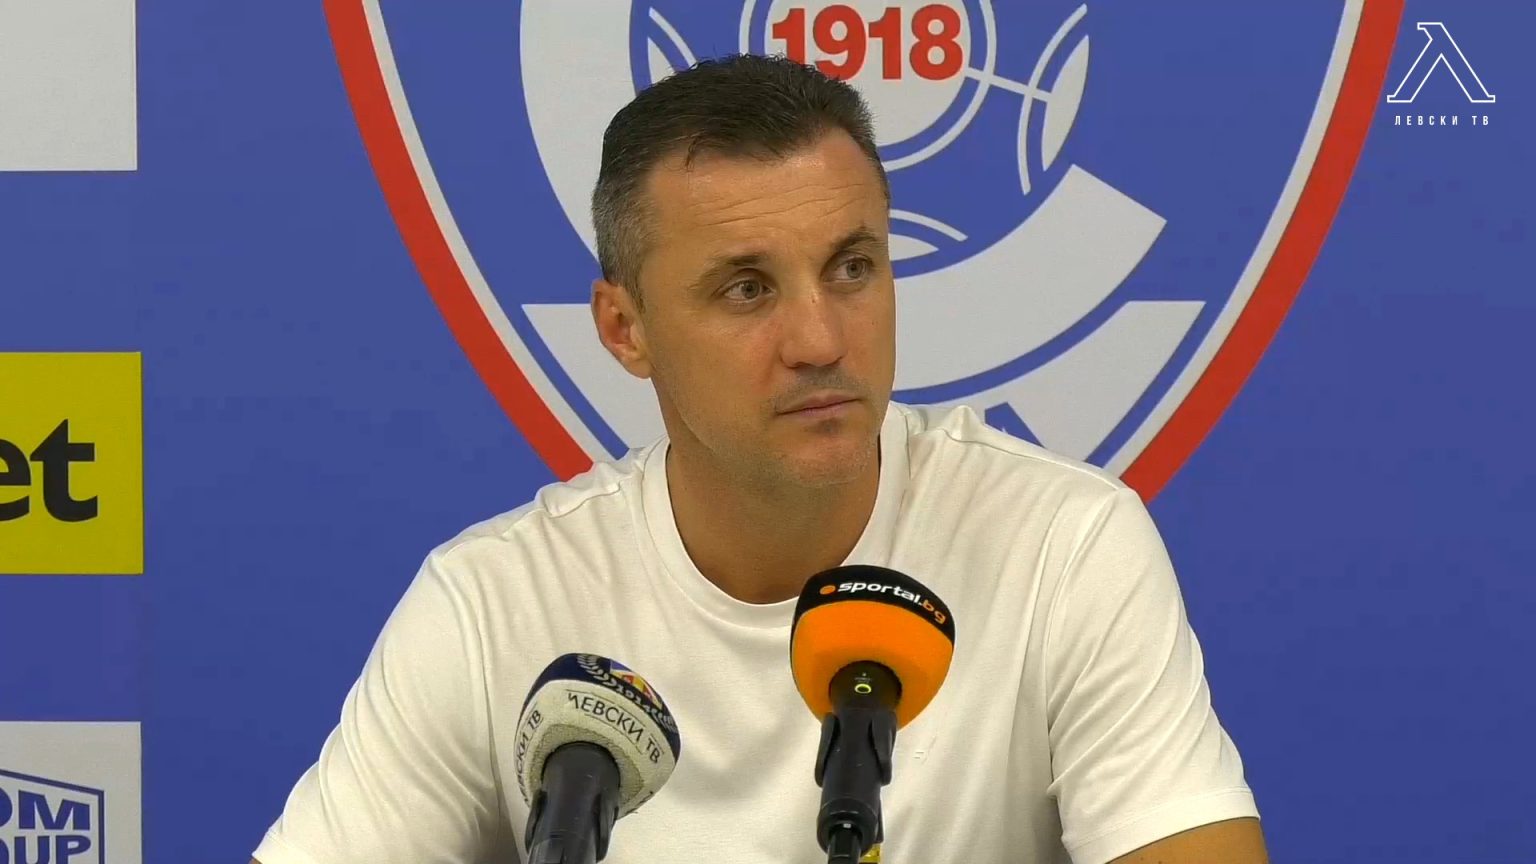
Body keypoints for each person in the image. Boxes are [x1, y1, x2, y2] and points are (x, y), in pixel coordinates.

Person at [251, 54, 1268, 864]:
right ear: (625, 328)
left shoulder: (1060, 546)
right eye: (747, 289)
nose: (820, 340)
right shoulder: (494, 606)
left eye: (853, 268)